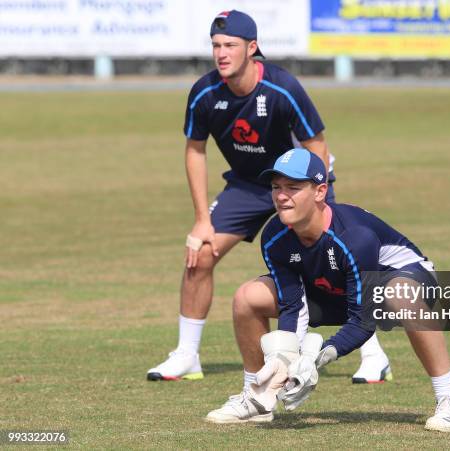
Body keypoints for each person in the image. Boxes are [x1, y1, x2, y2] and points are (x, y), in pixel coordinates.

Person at [147, 10, 391, 384]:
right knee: (200, 254)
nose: (221, 53)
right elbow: (195, 150)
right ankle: (186, 355)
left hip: (298, 186)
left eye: (230, 45)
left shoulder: (282, 88)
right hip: (246, 186)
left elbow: (316, 143)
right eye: (216, 46)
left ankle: (373, 355)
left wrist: (317, 197)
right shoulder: (204, 93)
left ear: (252, 47)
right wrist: (201, 219)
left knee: (332, 267)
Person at [206, 149, 450, 432]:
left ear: (320, 191)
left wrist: (317, 357)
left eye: (294, 188)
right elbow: (292, 305)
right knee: (248, 297)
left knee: (400, 295)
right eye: (276, 187)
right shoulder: (275, 236)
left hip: (402, 284)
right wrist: (284, 360)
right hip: (335, 290)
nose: (281, 196)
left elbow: (363, 320)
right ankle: (257, 397)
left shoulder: (353, 236)